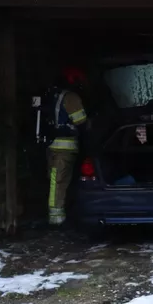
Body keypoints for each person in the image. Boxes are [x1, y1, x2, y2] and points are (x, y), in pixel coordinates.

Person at [46, 66, 89, 226]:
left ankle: (59, 214)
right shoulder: (71, 97)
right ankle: (56, 219)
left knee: (56, 181)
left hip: (54, 147)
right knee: (58, 182)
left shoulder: (54, 95)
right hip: (64, 149)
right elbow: (81, 122)